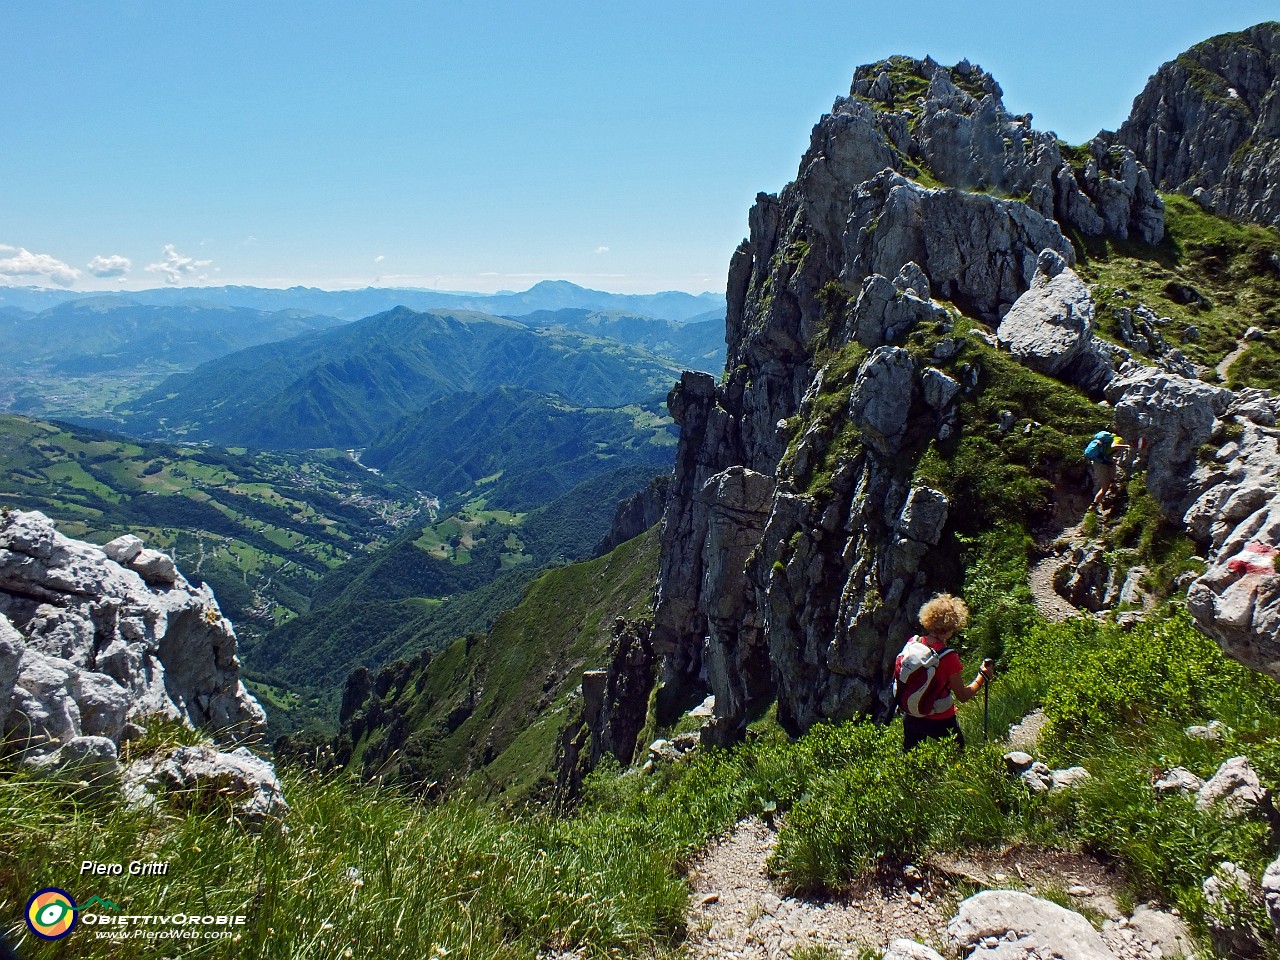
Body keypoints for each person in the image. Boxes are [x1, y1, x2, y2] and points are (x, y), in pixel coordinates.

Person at [894, 594, 994, 751]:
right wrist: (982, 677)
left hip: (912, 714)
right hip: (941, 719)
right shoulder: (948, 657)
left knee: (909, 756)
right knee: (957, 752)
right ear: (950, 630)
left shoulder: (913, 643)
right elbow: (963, 695)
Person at [1084, 430, 1130, 515]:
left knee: (1112, 464)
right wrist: (1126, 446)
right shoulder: (1118, 438)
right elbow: (1114, 446)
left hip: (1099, 461)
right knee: (1104, 488)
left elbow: (1108, 450)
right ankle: (1092, 507)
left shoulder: (1108, 438)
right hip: (1100, 464)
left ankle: (1113, 485)